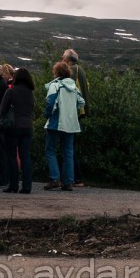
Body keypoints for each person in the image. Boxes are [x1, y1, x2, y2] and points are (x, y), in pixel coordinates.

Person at [44, 61, 85, 192]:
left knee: (50, 150)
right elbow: (81, 102)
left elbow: (50, 103)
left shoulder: (55, 85)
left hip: (56, 122)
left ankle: (55, 178)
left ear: (56, 72)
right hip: (71, 123)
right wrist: (72, 111)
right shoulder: (74, 87)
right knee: (68, 152)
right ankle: (68, 182)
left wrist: (46, 115)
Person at [0, 68, 35, 194]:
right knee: (25, 156)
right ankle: (27, 186)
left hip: (13, 127)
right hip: (28, 126)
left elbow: (2, 110)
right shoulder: (30, 92)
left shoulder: (11, 91)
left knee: (12, 156)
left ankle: (13, 185)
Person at [62, 49, 90, 187]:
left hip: (72, 112)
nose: (62, 60)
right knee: (71, 145)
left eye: (63, 58)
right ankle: (75, 178)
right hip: (80, 111)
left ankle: (74, 178)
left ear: (68, 60)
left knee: (68, 146)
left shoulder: (71, 71)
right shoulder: (81, 70)